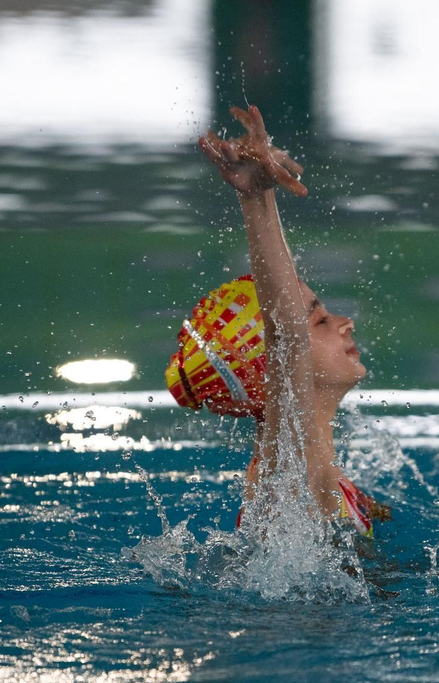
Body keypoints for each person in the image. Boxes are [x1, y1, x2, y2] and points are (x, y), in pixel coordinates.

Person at [166, 104, 389, 534]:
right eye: (320, 321)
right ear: (272, 364)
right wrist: (256, 197)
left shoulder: (310, 461)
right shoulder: (293, 458)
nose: (346, 322)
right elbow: (286, 331)